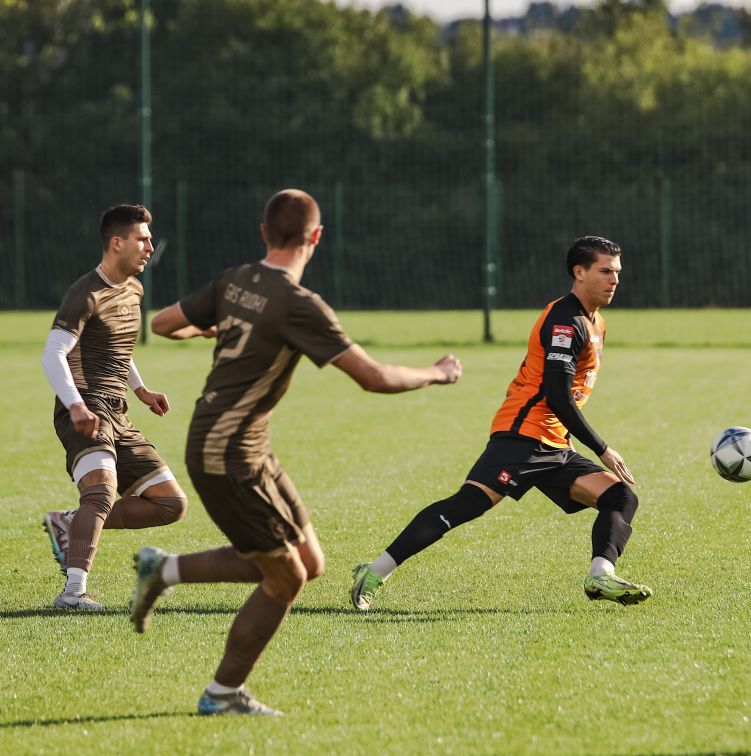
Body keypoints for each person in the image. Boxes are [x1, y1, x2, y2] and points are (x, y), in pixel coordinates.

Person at [130, 188, 462, 716]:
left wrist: (223, 326)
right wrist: (437, 373)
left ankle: (163, 570)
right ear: (317, 237)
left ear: (264, 232)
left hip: (247, 446)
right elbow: (374, 377)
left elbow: (164, 324)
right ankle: (222, 694)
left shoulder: (236, 279)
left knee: (308, 562)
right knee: (285, 577)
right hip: (227, 454)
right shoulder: (298, 303)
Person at [349, 235, 650, 611]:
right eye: (605, 271)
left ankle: (601, 575)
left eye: (617, 272)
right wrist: (602, 449)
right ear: (579, 272)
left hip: (553, 442)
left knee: (620, 496)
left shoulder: (596, 323)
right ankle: (375, 571)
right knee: (468, 504)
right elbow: (556, 395)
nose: (614, 279)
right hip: (522, 436)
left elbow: (564, 398)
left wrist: (567, 438)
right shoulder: (565, 321)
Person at [40, 205, 189, 611]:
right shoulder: (85, 293)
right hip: (85, 407)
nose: (150, 247)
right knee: (101, 491)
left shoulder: (133, 289)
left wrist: (140, 389)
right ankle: (73, 593)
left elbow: (116, 347)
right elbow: (53, 353)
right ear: (117, 243)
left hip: (117, 410)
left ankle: (70, 523)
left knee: (170, 504)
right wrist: (75, 405)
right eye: (142, 239)